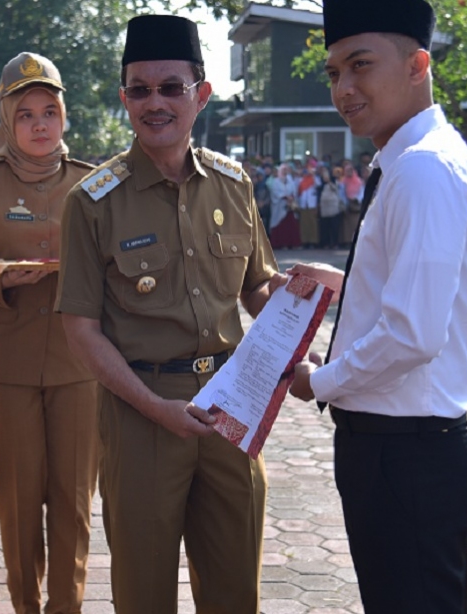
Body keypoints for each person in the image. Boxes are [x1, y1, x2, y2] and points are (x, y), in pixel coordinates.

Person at [55, 14, 281, 614]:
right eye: (140, 89)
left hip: (231, 407)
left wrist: (294, 312)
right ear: (124, 97)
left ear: (201, 94)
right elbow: (81, 329)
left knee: (236, 589)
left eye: (171, 87)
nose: (155, 103)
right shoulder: (92, 202)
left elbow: (257, 288)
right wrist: (155, 407)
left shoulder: (234, 184)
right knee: (144, 592)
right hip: (142, 410)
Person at [285, 0, 467, 611]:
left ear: (417, 65)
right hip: (408, 448)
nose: (344, 89)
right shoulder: (417, 158)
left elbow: (412, 335)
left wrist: (320, 380)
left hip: (406, 454)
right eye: (334, 73)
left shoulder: (422, 169)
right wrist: (351, 283)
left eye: (361, 65)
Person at [0, 52, 99, 614]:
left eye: (49, 112)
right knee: (18, 497)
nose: (40, 125)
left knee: (74, 498)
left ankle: (67, 606)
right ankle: (25, 605)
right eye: (26, 115)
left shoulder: (91, 182)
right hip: (7, 363)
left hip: (78, 361)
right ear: (7, 121)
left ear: (64, 116)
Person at [267, 162, 300, 248]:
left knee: (290, 225)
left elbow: (294, 191)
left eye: (286, 170)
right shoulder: (276, 181)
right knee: (280, 224)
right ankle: (280, 243)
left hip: (289, 206)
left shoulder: (290, 181)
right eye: (283, 170)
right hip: (280, 206)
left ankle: (291, 243)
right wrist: (284, 197)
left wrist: (291, 197)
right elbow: (275, 193)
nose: (285, 172)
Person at [317, 165, 343, 248]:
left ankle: (335, 243)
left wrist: (329, 182)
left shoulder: (334, 182)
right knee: (325, 226)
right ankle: (326, 243)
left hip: (333, 207)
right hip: (324, 208)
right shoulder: (321, 184)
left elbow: (336, 189)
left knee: (334, 226)